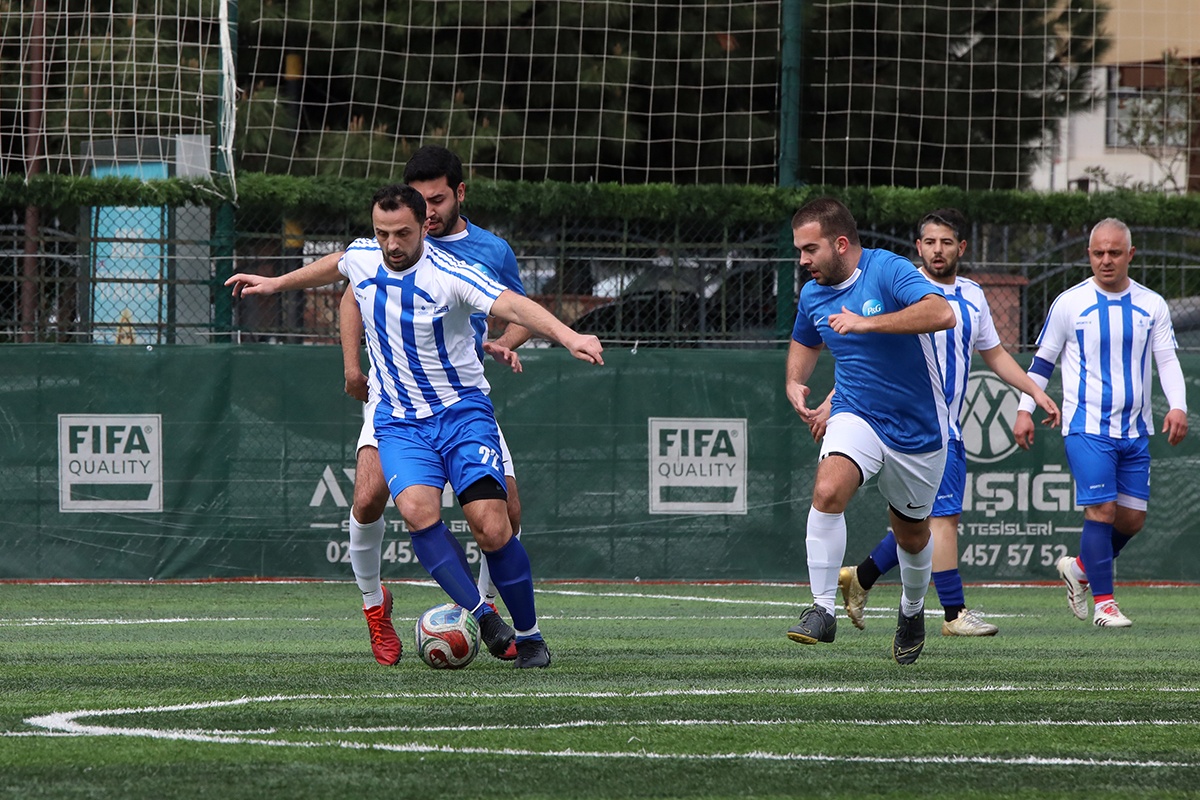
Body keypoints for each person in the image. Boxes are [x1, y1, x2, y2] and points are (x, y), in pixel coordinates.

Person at [225, 183, 605, 667]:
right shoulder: (365, 256)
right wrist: (276, 283)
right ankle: (484, 618)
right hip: (400, 421)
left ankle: (530, 637)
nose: (391, 244)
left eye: (401, 233)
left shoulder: (452, 274)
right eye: (382, 233)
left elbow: (513, 305)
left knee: (492, 526)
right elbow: (339, 262)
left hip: (462, 415)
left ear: (422, 226)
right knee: (417, 513)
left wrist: (570, 336)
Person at [315, 146, 532, 666]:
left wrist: (506, 342)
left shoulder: (490, 250)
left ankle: (487, 608)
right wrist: (352, 368)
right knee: (368, 498)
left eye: (437, 200)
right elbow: (351, 295)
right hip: (394, 397)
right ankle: (375, 606)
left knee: (506, 510)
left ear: (460, 194)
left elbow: (521, 310)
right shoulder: (394, 240)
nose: (428, 212)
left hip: (460, 397)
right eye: (421, 202)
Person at [831, 209, 1060, 637]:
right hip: (905, 426)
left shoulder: (974, 295)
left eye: (947, 242)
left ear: (961, 248)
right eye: (930, 242)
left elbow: (995, 354)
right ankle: (954, 613)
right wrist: (833, 400)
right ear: (918, 247)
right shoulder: (903, 288)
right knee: (941, 521)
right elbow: (866, 358)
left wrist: (1034, 391)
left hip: (946, 428)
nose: (938, 250)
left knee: (921, 522)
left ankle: (861, 576)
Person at [784, 197, 956, 665]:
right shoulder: (813, 294)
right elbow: (805, 340)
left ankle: (912, 611)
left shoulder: (887, 269)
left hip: (919, 428)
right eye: (799, 250)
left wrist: (867, 323)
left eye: (810, 249)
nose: (803, 260)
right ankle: (822, 610)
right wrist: (794, 381)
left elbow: (942, 313)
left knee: (912, 535)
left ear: (840, 244)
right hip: (856, 413)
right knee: (827, 490)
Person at [1014, 218, 1188, 628]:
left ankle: (1079, 569)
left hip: (1135, 430)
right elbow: (1042, 363)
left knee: (1132, 520)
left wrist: (1178, 406)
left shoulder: (1152, 304)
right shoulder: (1069, 302)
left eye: (1114, 252)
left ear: (1130, 255)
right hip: (1086, 426)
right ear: (1088, 255)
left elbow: (1166, 360)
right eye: (1098, 253)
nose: (1106, 260)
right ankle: (1105, 605)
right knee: (1102, 511)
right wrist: (1024, 409)